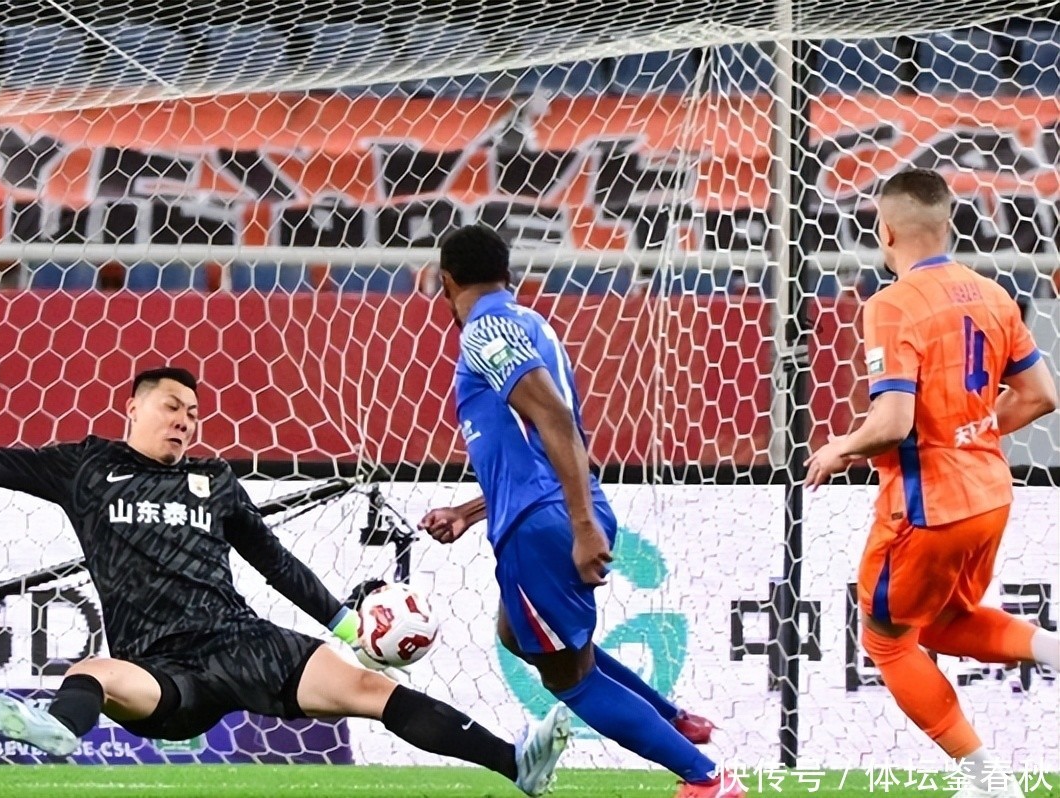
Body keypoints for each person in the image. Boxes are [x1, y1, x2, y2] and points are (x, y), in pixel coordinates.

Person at [0, 319, 571, 796]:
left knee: (371, 692)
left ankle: (517, 765)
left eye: (193, 415)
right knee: (91, 671)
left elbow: (275, 562)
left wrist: (349, 626)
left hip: (242, 642)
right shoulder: (86, 467)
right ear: (133, 408)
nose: (185, 421)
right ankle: (61, 730)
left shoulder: (213, 481)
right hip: (160, 669)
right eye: (172, 407)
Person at [418, 225, 742, 798]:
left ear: (445, 282)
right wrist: (469, 512)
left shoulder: (485, 331)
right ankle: (671, 718)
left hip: (545, 524)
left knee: (571, 679)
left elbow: (555, 419)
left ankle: (707, 779)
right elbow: (542, 445)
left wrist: (583, 527)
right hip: (555, 509)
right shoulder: (530, 323)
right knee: (518, 635)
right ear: (507, 274)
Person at [805, 168, 1059, 798]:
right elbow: (1040, 395)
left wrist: (840, 446)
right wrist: (970, 432)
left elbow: (892, 423)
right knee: (942, 622)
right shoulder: (992, 294)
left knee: (886, 641)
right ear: (947, 225)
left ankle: (987, 780)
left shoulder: (891, 305)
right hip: (990, 497)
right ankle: (1051, 649)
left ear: (885, 231)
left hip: (929, 508)